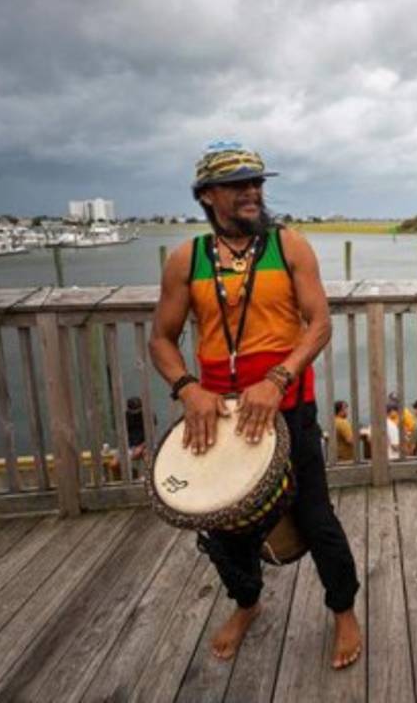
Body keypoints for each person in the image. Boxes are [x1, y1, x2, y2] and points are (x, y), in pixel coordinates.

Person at [149, 142, 361, 668]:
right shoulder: (187, 259)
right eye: (238, 184)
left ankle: (343, 611)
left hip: (287, 407)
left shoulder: (289, 245)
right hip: (217, 414)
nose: (252, 192)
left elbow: (319, 324)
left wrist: (279, 378)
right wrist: (188, 389)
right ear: (206, 195)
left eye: (257, 182)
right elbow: (161, 340)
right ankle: (247, 602)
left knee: (316, 517)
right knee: (224, 524)